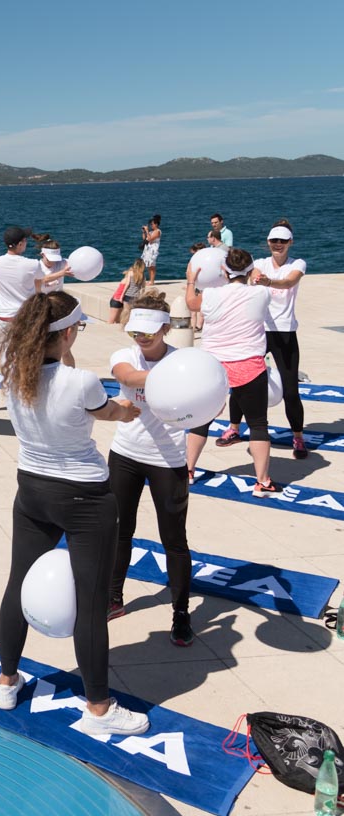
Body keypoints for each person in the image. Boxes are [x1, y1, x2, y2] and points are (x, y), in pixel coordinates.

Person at [0, 291, 149, 736]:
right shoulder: (81, 382)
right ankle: (99, 710)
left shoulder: (12, 374)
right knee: (91, 604)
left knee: (16, 585)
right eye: (75, 329)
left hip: (32, 490)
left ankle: (6, 682)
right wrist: (129, 410)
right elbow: (113, 411)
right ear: (63, 335)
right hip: (84, 499)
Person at [106, 291, 194, 646]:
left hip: (168, 460)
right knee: (118, 531)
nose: (141, 339)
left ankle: (181, 613)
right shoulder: (125, 356)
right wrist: (173, 380)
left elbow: (207, 403)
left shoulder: (184, 362)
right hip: (125, 454)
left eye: (148, 332)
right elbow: (125, 375)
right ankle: (113, 598)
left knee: (174, 540)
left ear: (166, 328)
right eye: (135, 332)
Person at [185, 248, 276, 495]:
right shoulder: (261, 293)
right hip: (249, 364)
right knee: (258, 424)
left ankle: (188, 471)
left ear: (223, 270)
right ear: (249, 271)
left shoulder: (211, 295)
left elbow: (191, 303)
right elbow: (257, 276)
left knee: (201, 419)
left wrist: (191, 279)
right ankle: (262, 481)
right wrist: (252, 270)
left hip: (213, 365)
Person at [252, 221, 307, 459]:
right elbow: (247, 271)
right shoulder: (260, 263)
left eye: (283, 241)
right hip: (259, 331)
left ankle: (298, 437)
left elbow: (289, 282)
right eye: (274, 241)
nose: (278, 245)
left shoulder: (298, 264)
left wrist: (268, 282)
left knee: (291, 391)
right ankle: (233, 428)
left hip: (285, 333)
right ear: (268, 242)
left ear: (290, 242)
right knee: (245, 385)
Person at [0, 226, 43, 412]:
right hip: (25, 319)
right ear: (21, 243)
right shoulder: (32, 264)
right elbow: (39, 286)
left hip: (4, 319)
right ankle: (25, 400)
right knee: (26, 359)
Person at [36, 238, 75, 365]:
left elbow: (79, 264)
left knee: (65, 349)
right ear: (42, 255)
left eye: (55, 259)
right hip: (42, 309)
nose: (53, 262)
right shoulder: (37, 267)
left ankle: (71, 375)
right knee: (40, 347)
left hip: (58, 309)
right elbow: (42, 280)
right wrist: (62, 273)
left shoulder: (62, 263)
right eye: (50, 259)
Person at [107, 260, 146, 325]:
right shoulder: (143, 276)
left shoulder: (131, 273)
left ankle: (124, 325)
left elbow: (127, 285)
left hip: (127, 296)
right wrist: (142, 296)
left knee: (126, 312)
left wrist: (122, 296)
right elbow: (143, 288)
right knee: (131, 313)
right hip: (136, 297)